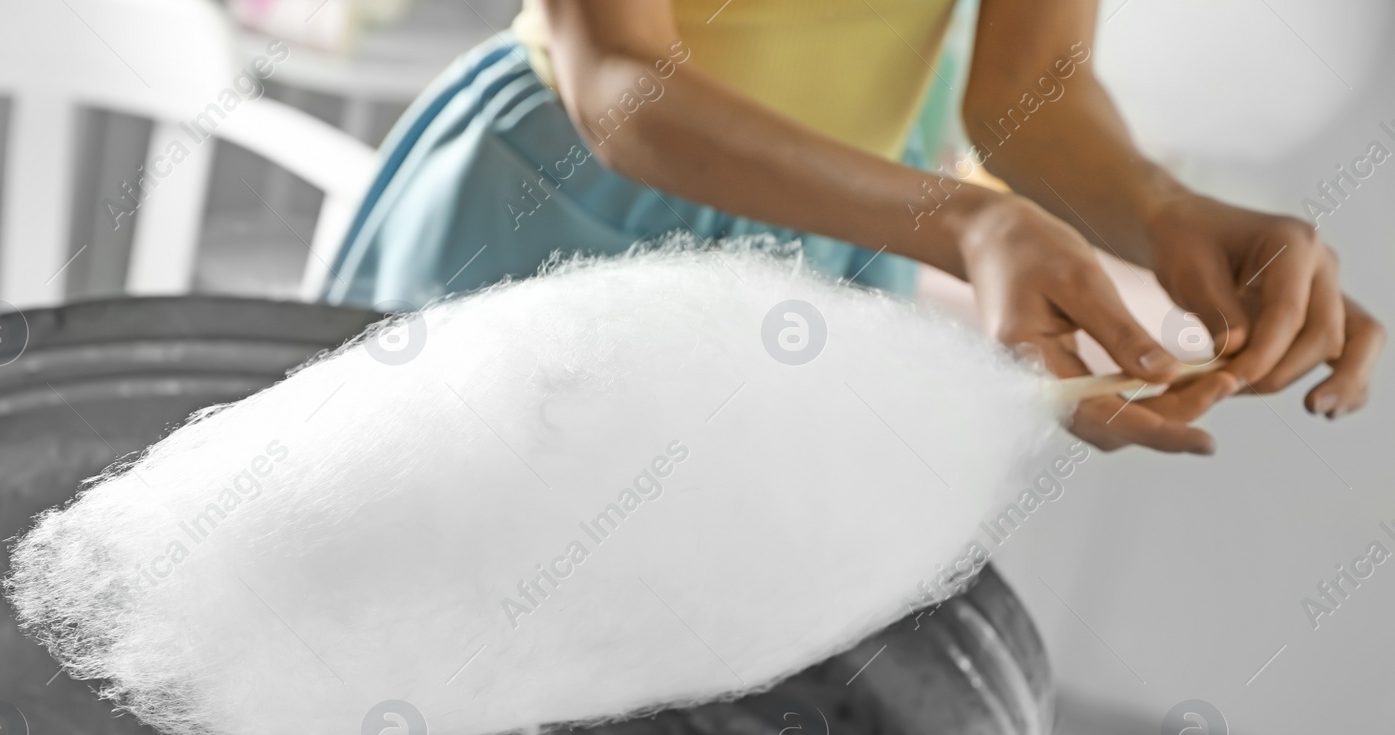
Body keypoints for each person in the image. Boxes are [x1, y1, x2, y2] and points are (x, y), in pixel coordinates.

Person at [325, 0, 1384, 454]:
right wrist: (961, 224)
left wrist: (1167, 214)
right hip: (556, 211)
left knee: (679, 665)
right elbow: (620, 79)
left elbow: (1037, 93)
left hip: (834, 252)